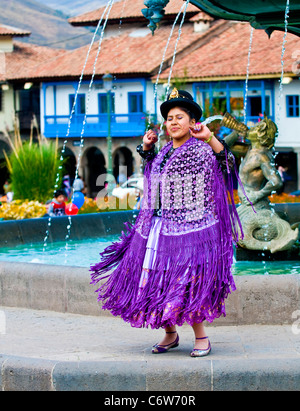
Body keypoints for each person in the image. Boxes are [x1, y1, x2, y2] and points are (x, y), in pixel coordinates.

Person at [90, 89, 241, 357]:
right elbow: (153, 180)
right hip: (158, 226)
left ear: (193, 122)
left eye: (179, 117)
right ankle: (170, 334)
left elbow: (228, 165)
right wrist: (147, 150)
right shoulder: (164, 151)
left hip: (192, 229)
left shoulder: (202, 150)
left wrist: (212, 139)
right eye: (169, 118)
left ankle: (201, 337)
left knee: (186, 281)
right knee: (157, 281)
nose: (173, 122)